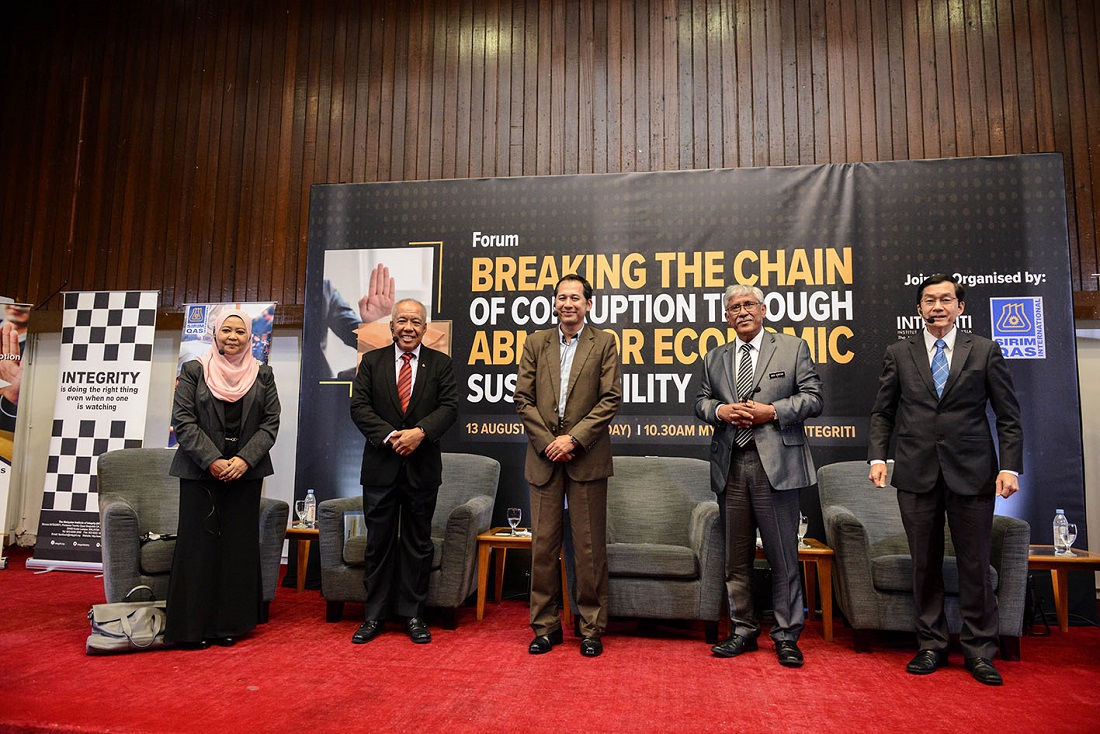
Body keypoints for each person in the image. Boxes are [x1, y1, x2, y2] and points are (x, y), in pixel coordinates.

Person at [868, 273, 1023, 686]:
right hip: (916, 472)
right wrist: (878, 457)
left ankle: (979, 651)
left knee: (974, 564)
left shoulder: (986, 351)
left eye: (946, 299)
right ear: (919, 308)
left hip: (972, 472)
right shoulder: (899, 353)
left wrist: (1009, 467)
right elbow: (883, 412)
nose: (938, 306)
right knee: (924, 565)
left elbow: (1008, 415)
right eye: (929, 300)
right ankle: (931, 645)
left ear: (961, 306)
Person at [693, 284, 823, 668]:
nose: (742, 311)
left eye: (749, 304)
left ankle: (786, 635)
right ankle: (743, 630)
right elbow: (701, 402)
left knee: (783, 556)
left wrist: (773, 411)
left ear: (763, 309)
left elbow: (814, 398)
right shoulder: (714, 357)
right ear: (727, 317)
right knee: (736, 558)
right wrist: (719, 412)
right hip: (732, 464)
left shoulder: (792, 347)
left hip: (777, 466)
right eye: (734, 307)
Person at [514, 273, 622, 657]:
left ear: (588, 304)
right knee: (542, 548)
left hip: (586, 458)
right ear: (554, 303)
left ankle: (590, 627)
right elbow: (522, 399)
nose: (568, 304)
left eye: (575, 298)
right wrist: (549, 443)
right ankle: (545, 627)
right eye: (562, 297)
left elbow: (610, 399)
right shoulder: (535, 343)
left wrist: (573, 439)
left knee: (589, 548)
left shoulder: (605, 342)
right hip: (544, 459)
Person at [166, 309, 281, 648]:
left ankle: (228, 624)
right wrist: (213, 460)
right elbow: (183, 421)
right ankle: (191, 628)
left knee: (235, 550)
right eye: (226, 330)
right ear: (215, 334)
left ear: (250, 338)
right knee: (198, 548)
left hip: (245, 474)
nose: (233, 337)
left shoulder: (263, 375)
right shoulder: (193, 370)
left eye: (240, 332)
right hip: (199, 471)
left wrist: (243, 460)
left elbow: (270, 423)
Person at [349, 298, 457, 645]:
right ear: (391, 326)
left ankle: (412, 614)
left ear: (425, 328)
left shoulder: (440, 364)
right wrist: (390, 437)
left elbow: (449, 407)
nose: (408, 327)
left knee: (417, 543)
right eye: (402, 321)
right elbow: (359, 407)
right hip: (381, 467)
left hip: (422, 469)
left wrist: (420, 433)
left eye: (415, 321)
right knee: (378, 543)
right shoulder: (371, 362)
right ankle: (374, 616)